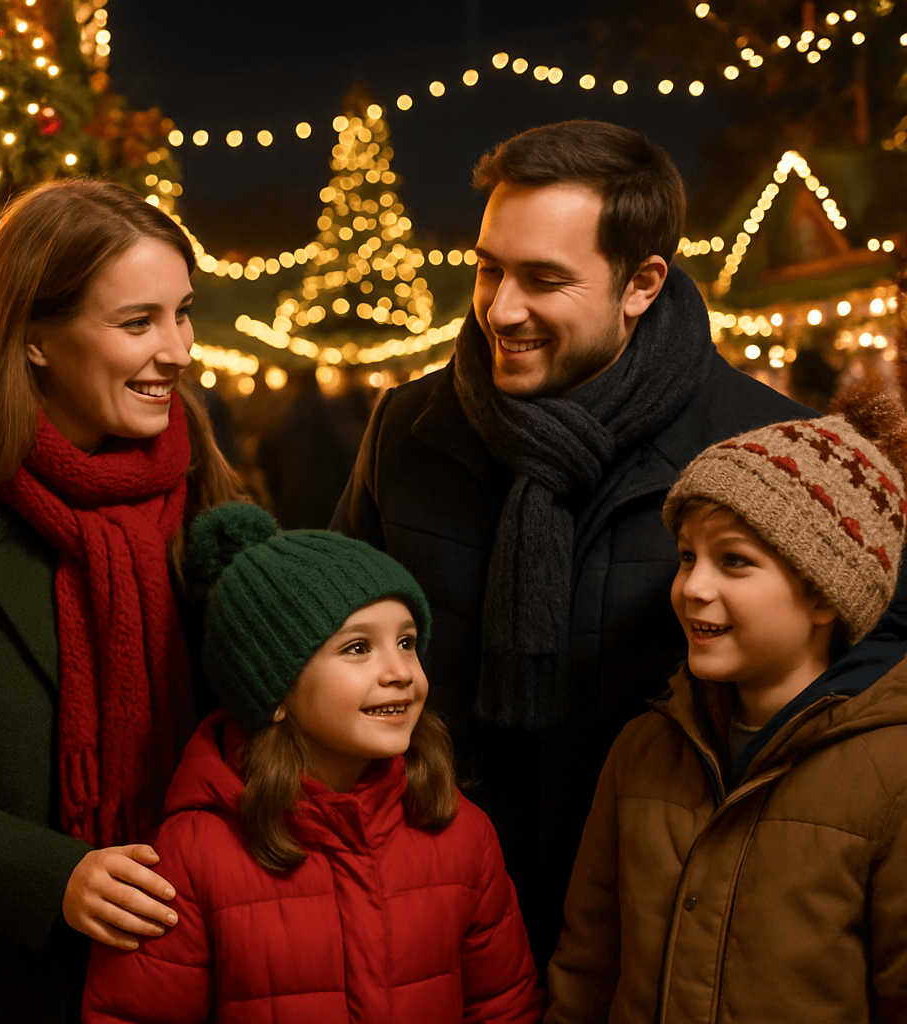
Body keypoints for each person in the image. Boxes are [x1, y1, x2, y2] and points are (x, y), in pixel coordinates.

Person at [331, 118, 812, 963]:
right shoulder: (409, 428)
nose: (500, 309)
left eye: (544, 280)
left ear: (641, 283)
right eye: (488, 269)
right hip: (433, 912)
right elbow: (331, 646)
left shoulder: (770, 450)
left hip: (671, 928)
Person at [0, 179, 242, 1023]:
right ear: (36, 337)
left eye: (182, 312)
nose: (181, 350)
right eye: (137, 323)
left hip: (184, 968)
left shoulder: (205, 493)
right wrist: (55, 875)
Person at [82, 501, 542, 1024]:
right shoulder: (193, 856)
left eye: (407, 642)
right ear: (274, 691)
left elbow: (504, 1006)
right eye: (357, 648)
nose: (399, 671)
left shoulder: (461, 833)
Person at [545, 390, 907, 1022]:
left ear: (825, 596)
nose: (691, 588)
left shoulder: (892, 775)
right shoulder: (645, 749)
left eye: (734, 561)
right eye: (688, 556)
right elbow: (587, 965)